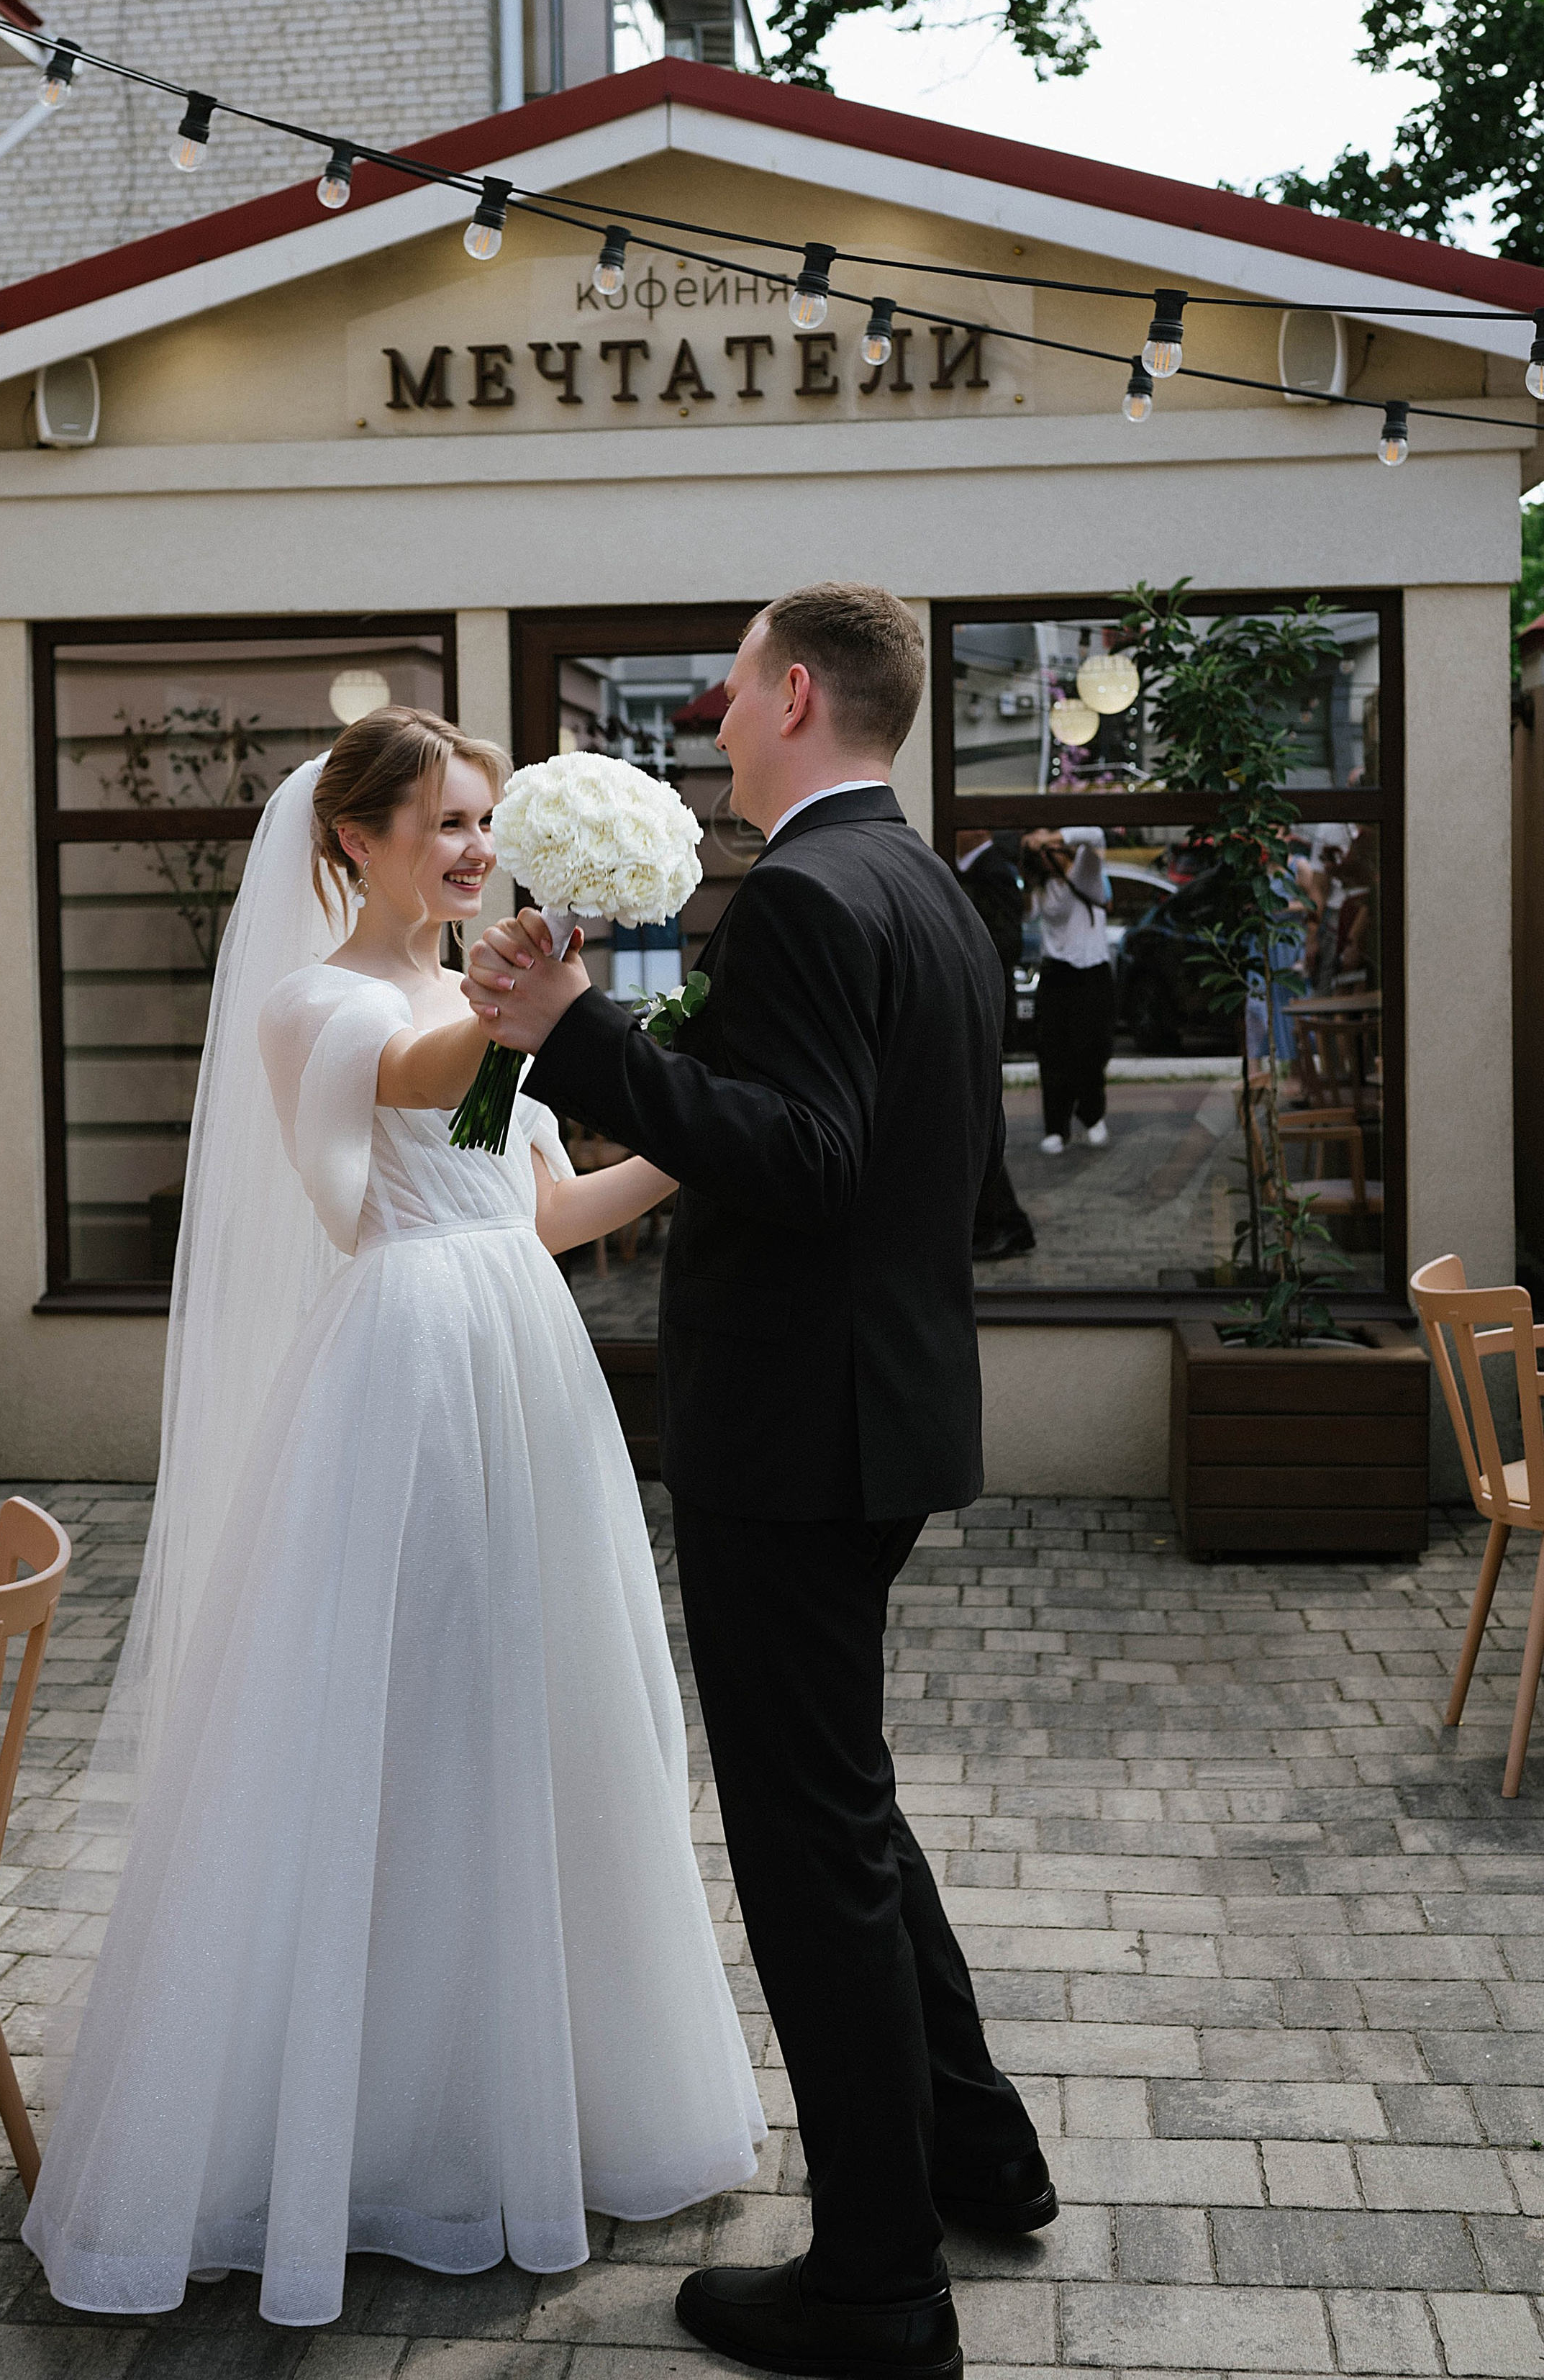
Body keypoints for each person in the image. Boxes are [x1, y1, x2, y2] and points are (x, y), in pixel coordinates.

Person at [22, 710, 763, 2329]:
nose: (474, 845)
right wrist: (548, 976)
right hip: (411, 1367)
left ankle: (525, 2095)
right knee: (402, 1724)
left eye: (490, 818)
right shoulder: (320, 1003)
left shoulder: (478, 992)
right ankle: (355, 2132)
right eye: (445, 821)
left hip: (523, 1360)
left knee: (538, 1714)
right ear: (351, 841)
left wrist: (707, 1138)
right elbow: (438, 1082)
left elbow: (545, 1203)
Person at [468, 587, 1053, 2380]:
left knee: (809, 1853)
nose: (713, 710)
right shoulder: (927, 887)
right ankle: (974, 2149)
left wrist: (574, 1031)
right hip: (875, 1415)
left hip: (792, 1434)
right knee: (844, 1810)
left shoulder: (805, 890)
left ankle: (875, 2278)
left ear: (795, 690)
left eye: (732, 679)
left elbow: (801, 1157)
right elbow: (947, 1178)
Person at [954, 828, 1037, 1261]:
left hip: (983, 1007)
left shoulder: (994, 872)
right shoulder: (968, 870)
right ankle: (996, 1222)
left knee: (978, 1122)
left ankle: (1006, 1223)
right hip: (971, 1006)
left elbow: (1007, 942)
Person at [1023, 823, 1114, 1153]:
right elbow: (1026, 913)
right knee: (1052, 1051)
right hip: (1056, 972)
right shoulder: (1042, 889)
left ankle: (1092, 1115)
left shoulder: (1085, 874)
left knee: (1092, 1049)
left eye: (1053, 848)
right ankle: (1056, 1127)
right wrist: (1028, 862)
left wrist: (1051, 838)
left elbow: (1097, 837)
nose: (1047, 856)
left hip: (1092, 971)